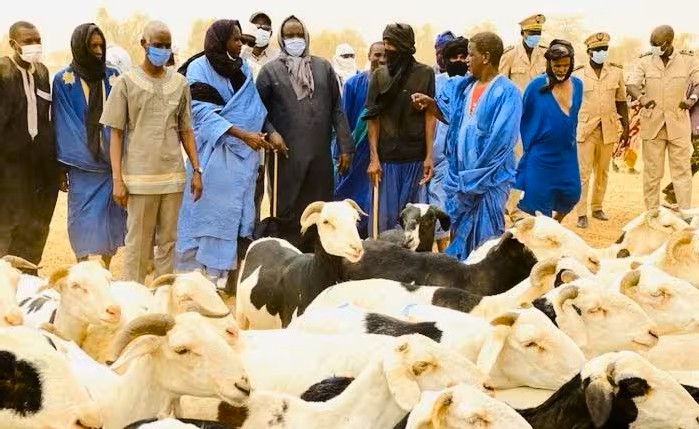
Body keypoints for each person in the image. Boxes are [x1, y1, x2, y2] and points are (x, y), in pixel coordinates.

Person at [100, 20, 203, 283]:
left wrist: (196, 169)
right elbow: (115, 133)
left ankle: (161, 296)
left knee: (168, 243)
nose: (163, 50)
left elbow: (186, 130)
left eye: (167, 46)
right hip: (140, 179)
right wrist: (117, 180)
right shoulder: (126, 83)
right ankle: (133, 298)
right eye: (158, 45)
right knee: (137, 243)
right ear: (144, 44)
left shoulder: (180, 83)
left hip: (172, 177)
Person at [175, 19, 275, 288]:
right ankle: (197, 280)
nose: (240, 44)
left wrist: (257, 134)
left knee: (233, 217)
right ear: (220, 41)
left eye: (241, 39)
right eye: (235, 39)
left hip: (242, 161)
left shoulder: (242, 69)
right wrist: (243, 135)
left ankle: (223, 279)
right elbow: (201, 113)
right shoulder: (198, 68)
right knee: (205, 215)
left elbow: (253, 109)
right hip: (209, 157)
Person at [413, 32, 522, 260]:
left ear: (486, 57)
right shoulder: (465, 88)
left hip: (489, 181)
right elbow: (453, 117)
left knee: (486, 241)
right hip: (460, 181)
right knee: (459, 237)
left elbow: (500, 142)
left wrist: (473, 179)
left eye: (471, 55)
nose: (466, 61)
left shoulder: (508, 93)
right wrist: (431, 104)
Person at [256, 15, 353, 252]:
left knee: (321, 211)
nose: (295, 39)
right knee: (287, 211)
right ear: (281, 39)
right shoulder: (270, 72)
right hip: (286, 156)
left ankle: (319, 259)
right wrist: (271, 133)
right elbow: (257, 111)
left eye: (299, 35)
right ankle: (290, 260)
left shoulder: (323, 68)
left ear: (307, 37)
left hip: (320, 156)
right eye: (289, 35)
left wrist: (345, 146)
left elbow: (337, 109)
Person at [52, 23, 126, 267]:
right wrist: (69, 164)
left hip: (111, 165)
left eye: (100, 45)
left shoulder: (114, 76)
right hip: (82, 165)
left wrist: (111, 153)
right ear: (79, 47)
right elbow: (64, 123)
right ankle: (82, 264)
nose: (98, 51)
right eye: (92, 46)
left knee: (111, 217)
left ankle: (106, 266)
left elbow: (122, 120)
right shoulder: (63, 80)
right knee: (81, 218)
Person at [365, 23, 435, 236]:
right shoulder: (379, 76)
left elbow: (430, 115)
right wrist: (374, 158)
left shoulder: (425, 73)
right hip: (387, 161)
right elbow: (372, 118)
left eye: (391, 44)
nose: (387, 49)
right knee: (384, 225)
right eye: (385, 43)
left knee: (414, 224)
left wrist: (429, 156)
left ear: (404, 46)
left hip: (415, 159)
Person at [0, 21, 58, 273]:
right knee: (6, 225)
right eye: (28, 41)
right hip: (8, 166)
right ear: (13, 44)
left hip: (40, 167)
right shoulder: (3, 71)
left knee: (36, 225)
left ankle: (28, 277)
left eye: (37, 40)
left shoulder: (42, 73)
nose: (35, 45)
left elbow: (47, 118)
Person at [627, 25, 699, 212]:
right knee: (652, 172)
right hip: (653, 124)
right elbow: (632, 84)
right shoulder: (645, 61)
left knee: (682, 172)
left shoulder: (687, 60)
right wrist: (642, 99)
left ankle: (684, 213)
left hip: (678, 123)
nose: (653, 48)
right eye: (651, 44)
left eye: (657, 44)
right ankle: (652, 213)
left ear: (669, 43)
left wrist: (692, 99)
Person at [515, 40, 583, 221]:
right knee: (540, 205)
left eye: (565, 65)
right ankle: (541, 233)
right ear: (549, 64)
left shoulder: (578, 85)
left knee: (572, 193)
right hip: (541, 155)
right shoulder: (536, 86)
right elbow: (521, 115)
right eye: (557, 65)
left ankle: (555, 225)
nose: (561, 70)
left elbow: (573, 117)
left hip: (567, 153)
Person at [572, 32, 629, 229]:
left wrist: (626, 127)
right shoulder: (577, 74)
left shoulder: (616, 72)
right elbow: (570, 104)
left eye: (604, 49)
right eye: (597, 50)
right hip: (585, 128)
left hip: (608, 128)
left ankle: (597, 207)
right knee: (583, 173)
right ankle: (581, 213)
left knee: (603, 172)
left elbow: (621, 101)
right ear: (589, 52)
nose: (601, 52)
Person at [418, 36, 469, 252]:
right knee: (437, 205)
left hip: (464, 157)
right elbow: (430, 118)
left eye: (462, 56)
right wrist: (429, 154)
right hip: (438, 153)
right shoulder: (436, 82)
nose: (458, 61)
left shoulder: (474, 84)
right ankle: (441, 254)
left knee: (459, 208)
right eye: (453, 57)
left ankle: (453, 254)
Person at [333, 41, 385, 238]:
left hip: (381, 154)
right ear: (369, 56)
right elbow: (343, 120)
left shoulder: (393, 86)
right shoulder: (353, 84)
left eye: (385, 55)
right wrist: (342, 151)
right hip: (355, 153)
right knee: (349, 198)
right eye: (377, 55)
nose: (381, 59)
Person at [499, 13, 548, 217]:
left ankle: (528, 204)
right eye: (531, 32)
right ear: (523, 33)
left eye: (538, 32)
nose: (535, 36)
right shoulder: (510, 54)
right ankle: (510, 205)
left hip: (539, 117)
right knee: (517, 160)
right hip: (516, 117)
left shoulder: (545, 55)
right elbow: (501, 85)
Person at [664, 83, 699, 205]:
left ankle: (674, 189)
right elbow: (688, 97)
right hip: (696, 125)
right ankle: (675, 189)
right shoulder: (694, 78)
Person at [243, 11, 279, 80]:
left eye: (265, 28)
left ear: (270, 33)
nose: (260, 31)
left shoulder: (278, 57)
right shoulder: (241, 55)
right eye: (257, 28)